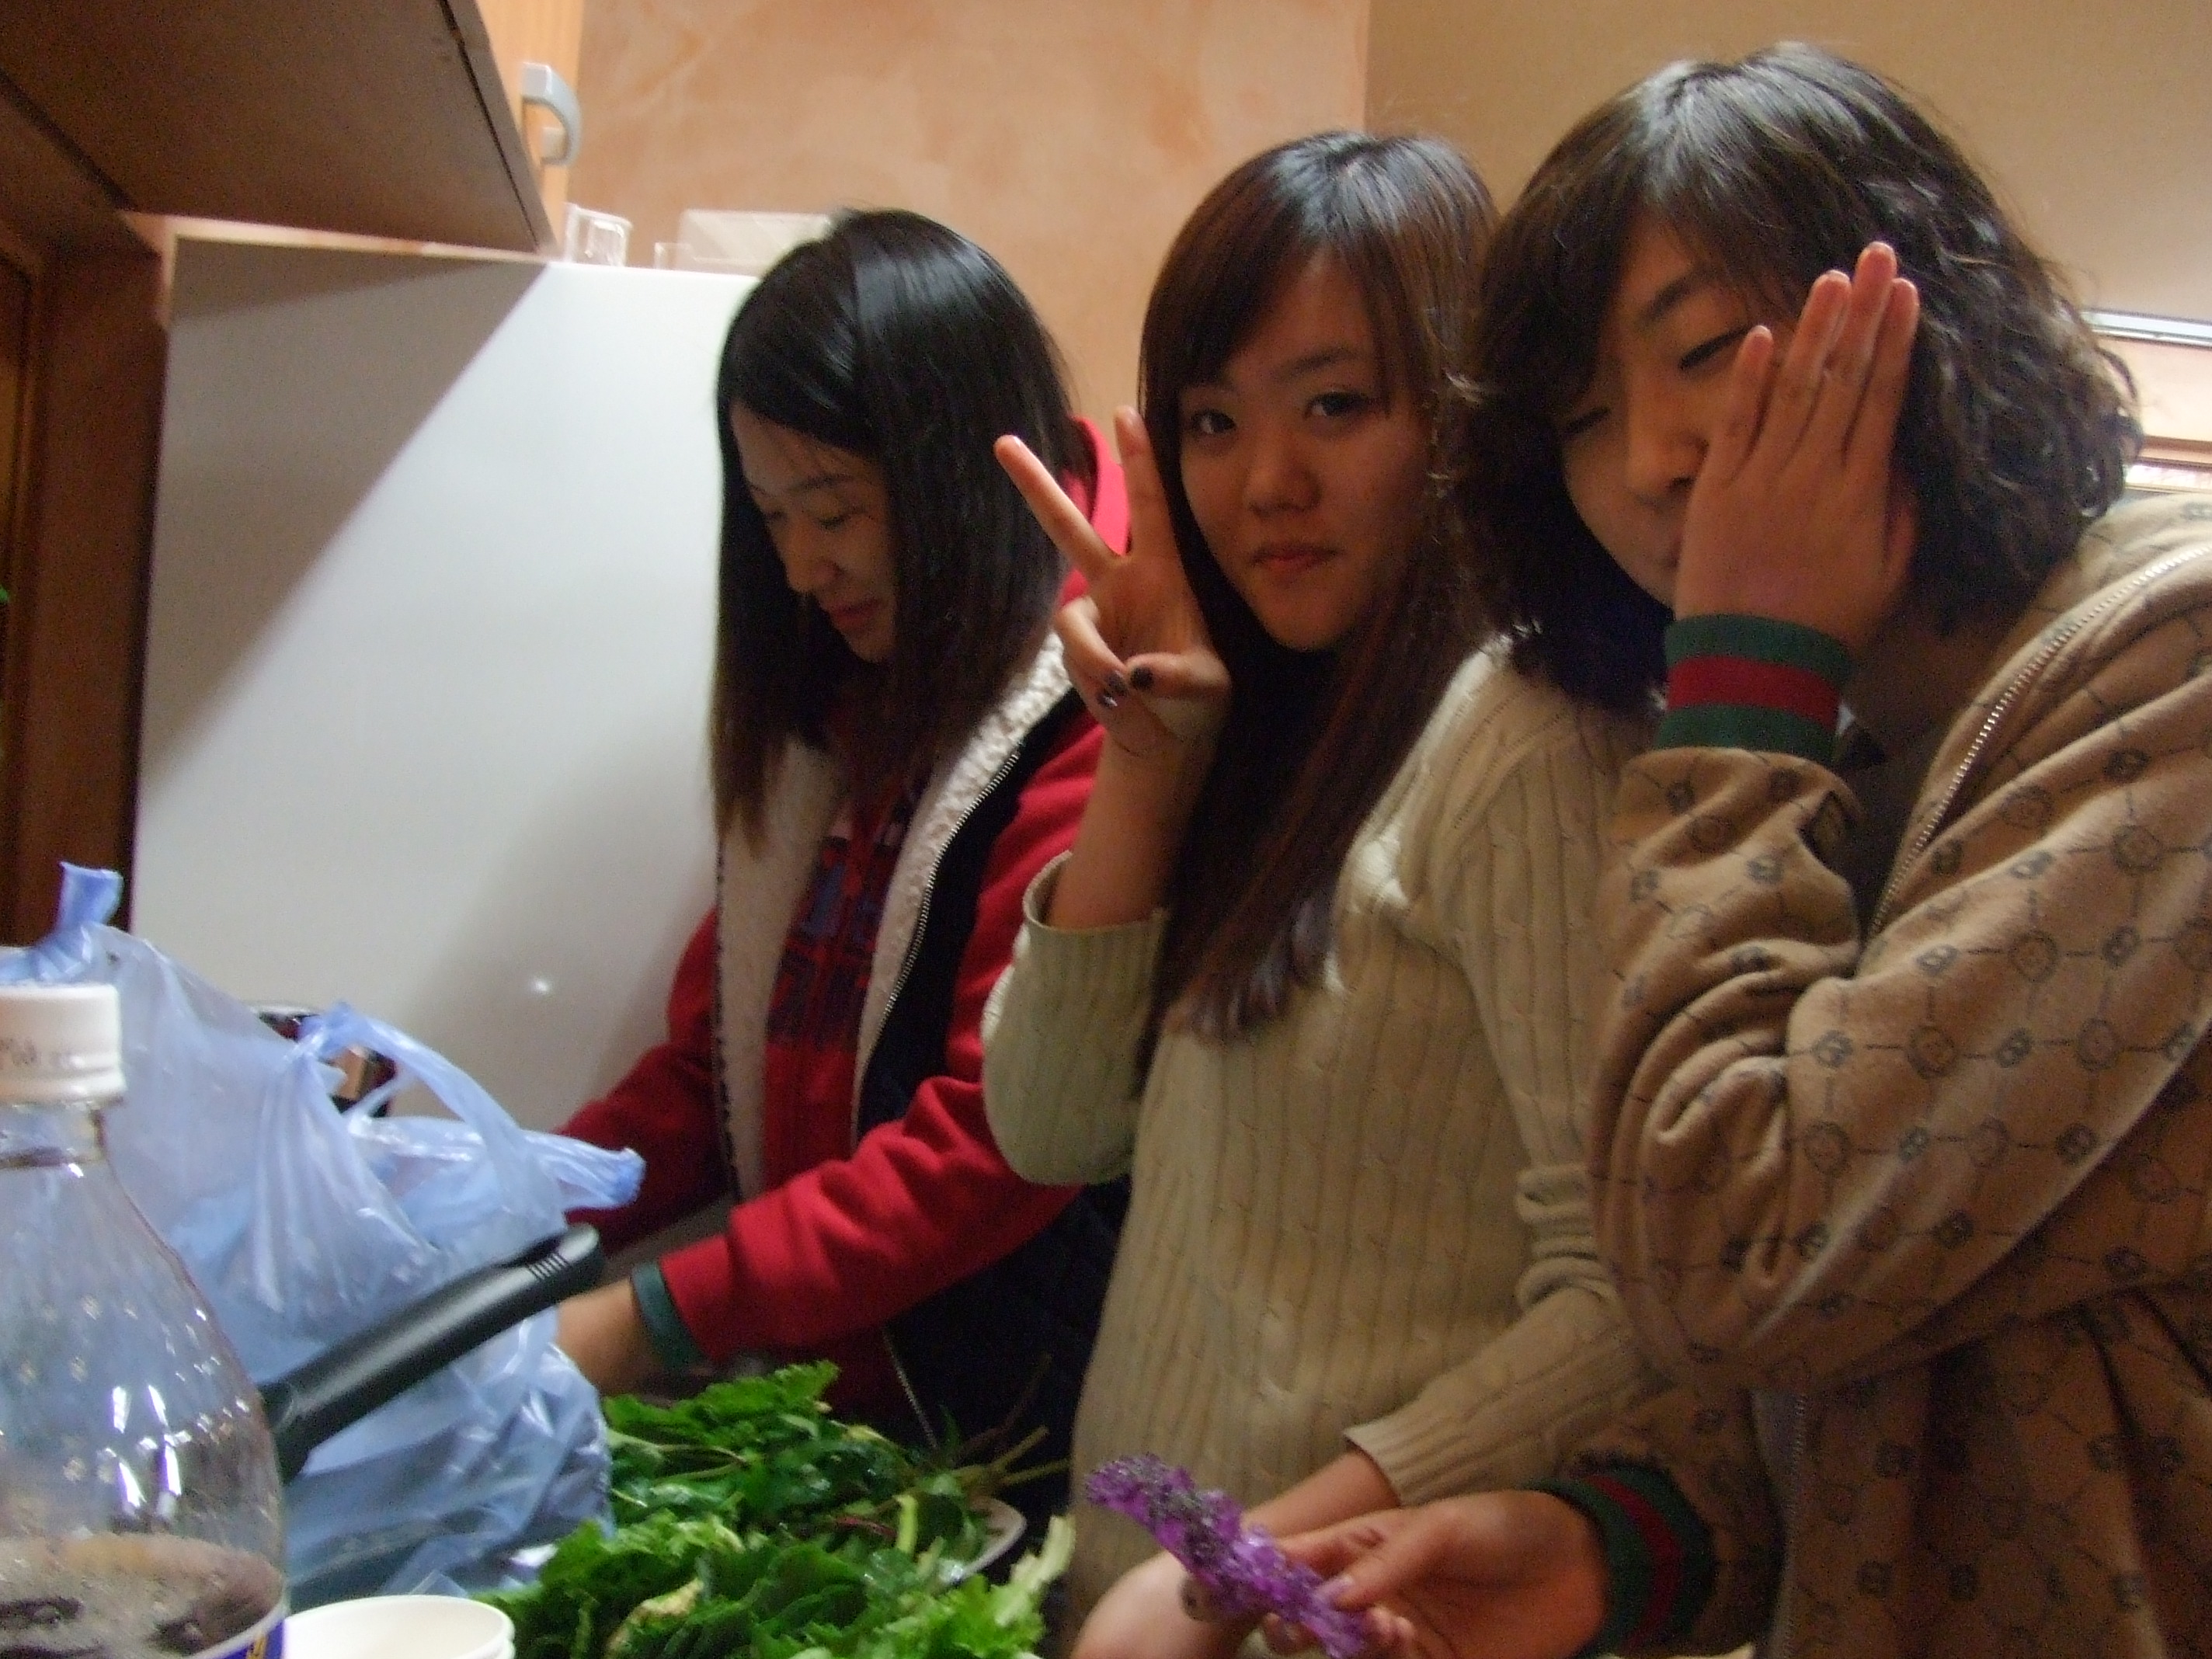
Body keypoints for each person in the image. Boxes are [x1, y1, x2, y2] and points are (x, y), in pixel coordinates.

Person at [1261, 43, 2212, 1659]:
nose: (1650, 459)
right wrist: (1615, 1546)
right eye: (1581, 416)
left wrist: (1745, 670)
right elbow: (1892, 1331)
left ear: (1924, 309)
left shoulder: (2164, 666)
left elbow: (1739, 1252)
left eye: (1705, 351)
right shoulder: (1863, 739)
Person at [983, 130, 1666, 1654]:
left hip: (1319, 1617)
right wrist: (1148, 759)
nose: (1267, 483)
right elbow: (1047, 1124)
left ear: (1464, 407)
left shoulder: (1526, 739)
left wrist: (1245, 1564)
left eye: (1336, 406)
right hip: (1159, 1602)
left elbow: (1629, 1294)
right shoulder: (1284, 724)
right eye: (1213, 421)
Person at [552, 209, 1130, 1522]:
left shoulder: (1097, 713)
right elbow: (722, 1068)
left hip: (1006, 1436)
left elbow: (994, 1143)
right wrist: (519, 1200)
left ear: (958, 476)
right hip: (848, 1414)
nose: (803, 566)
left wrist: (653, 1314)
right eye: (771, 517)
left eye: (835, 511)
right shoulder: (849, 707)